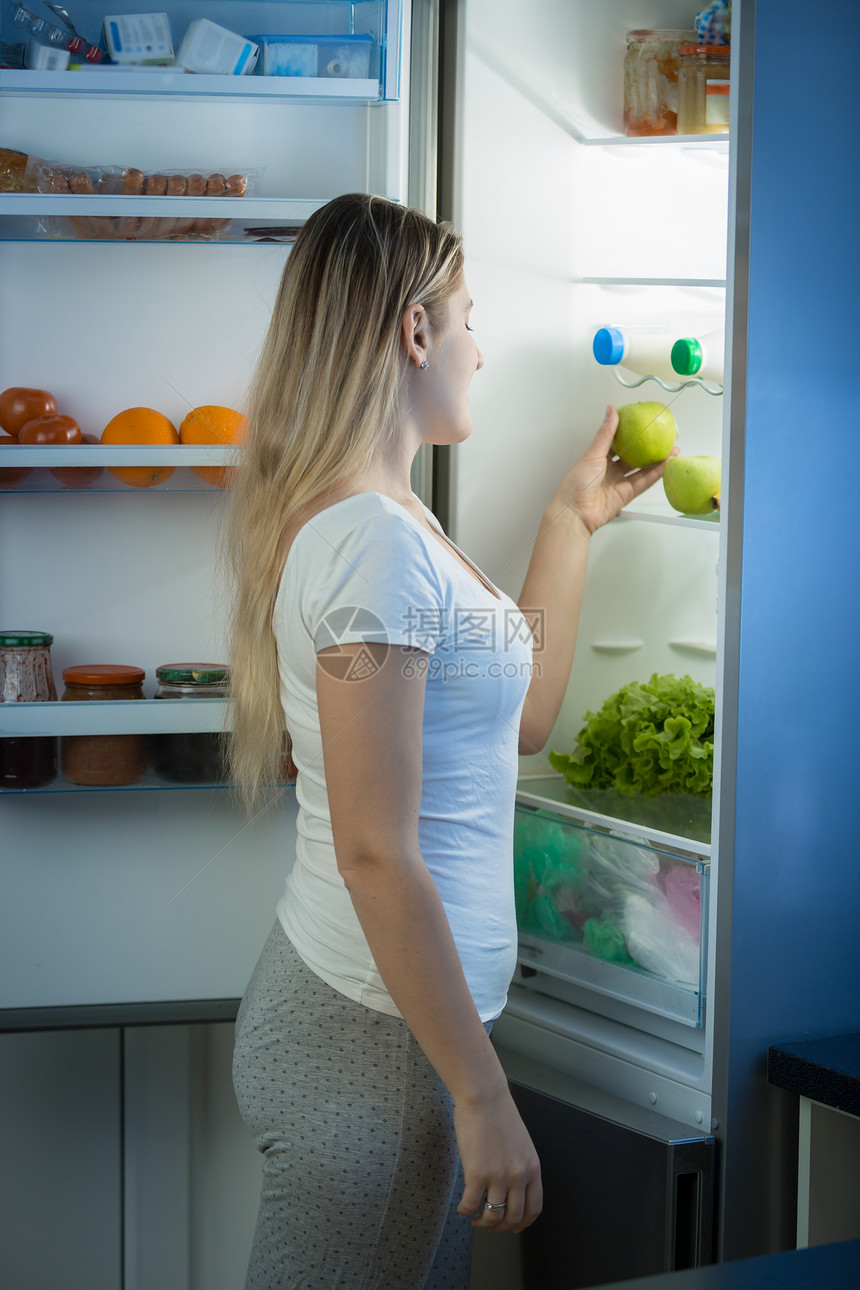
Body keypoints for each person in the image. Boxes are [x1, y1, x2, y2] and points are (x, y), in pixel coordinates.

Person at [226, 192, 672, 1290]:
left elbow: (515, 725)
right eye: (468, 317)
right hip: (368, 1046)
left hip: (393, 1030)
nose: (479, 349)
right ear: (414, 333)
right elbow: (376, 850)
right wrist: (482, 1097)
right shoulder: (370, 541)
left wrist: (567, 526)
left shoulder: (393, 520)